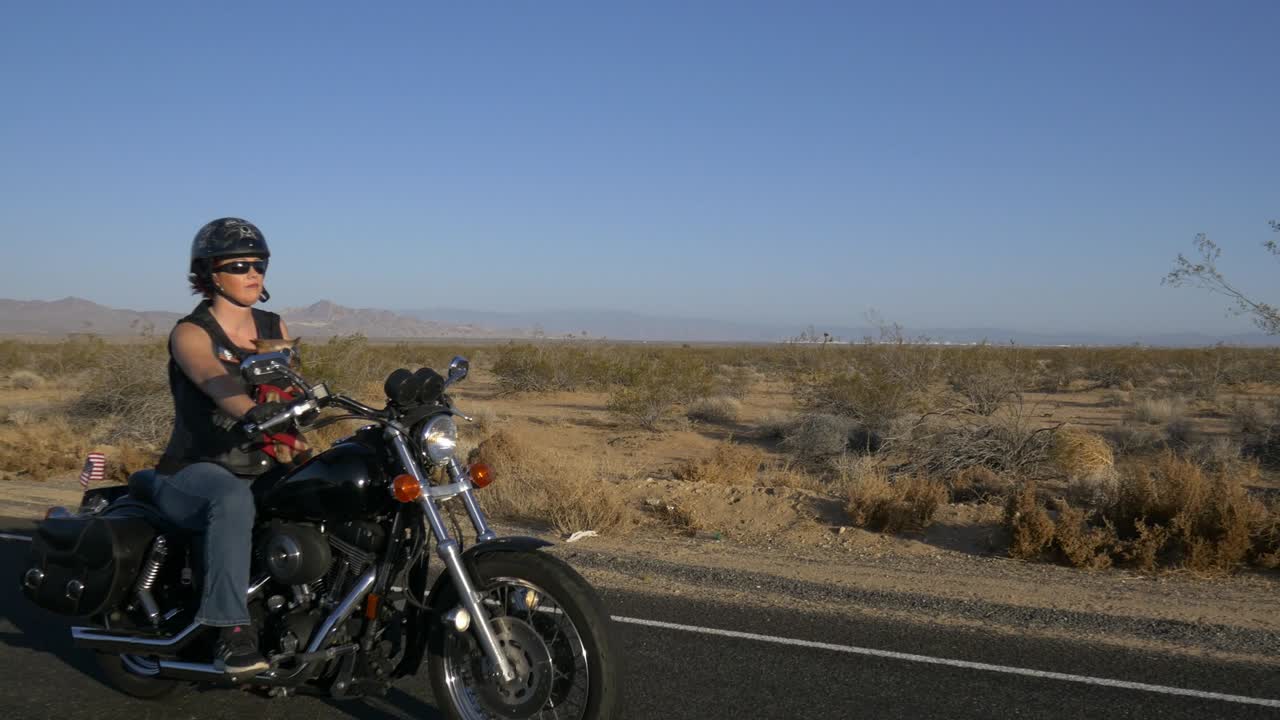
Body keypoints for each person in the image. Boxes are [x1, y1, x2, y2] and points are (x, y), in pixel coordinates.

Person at [151, 217, 291, 676]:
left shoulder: (273, 325)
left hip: (260, 462)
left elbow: (286, 391)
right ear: (212, 273)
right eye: (240, 265)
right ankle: (231, 631)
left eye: (260, 264)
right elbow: (215, 381)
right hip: (193, 470)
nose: (254, 273)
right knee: (230, 498)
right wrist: (250, 410)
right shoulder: (191, 332)